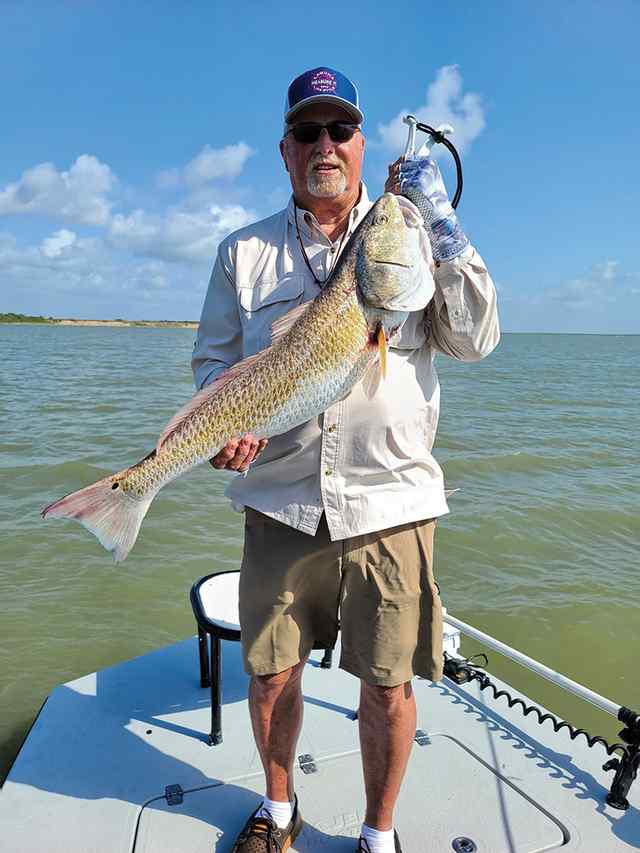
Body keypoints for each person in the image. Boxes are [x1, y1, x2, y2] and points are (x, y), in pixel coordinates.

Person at [192, 66, 499, 853]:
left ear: (362, 145)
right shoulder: (243, 251)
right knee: (269, 676)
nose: (324, 144)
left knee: (388, 685)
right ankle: (280, 809)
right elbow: (213, 363)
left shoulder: (405, 232)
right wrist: (222, 427)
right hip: (280, 498)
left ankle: (378, 831)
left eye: (340, 130)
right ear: (285, 150)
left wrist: (444, 228)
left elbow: (474, 339)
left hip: (391, 501)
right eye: (307, 132)